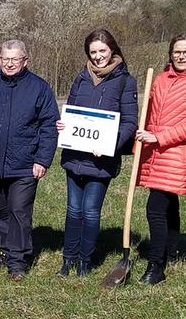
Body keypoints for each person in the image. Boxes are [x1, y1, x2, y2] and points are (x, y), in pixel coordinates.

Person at [0, 40, 59, 280]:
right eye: (5, 59)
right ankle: (1, 252)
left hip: (25, 164)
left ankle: (18, 261)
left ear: (25, 60)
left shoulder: (39, 88)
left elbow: (49, 127)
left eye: (14, 59)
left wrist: (43, 160)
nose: (8, 63)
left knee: (19, 211)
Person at [134, 34, 186, 285]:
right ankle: (170, 251)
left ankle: (156, 266)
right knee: (168, 203)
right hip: (154, 149)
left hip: (175, 152)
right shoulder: (160, 79)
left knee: (155, 208)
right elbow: (148, 115)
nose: (181, 57)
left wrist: (158, 137)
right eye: (176, 52)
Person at [55, 30, 138, 277]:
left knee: (90, 210)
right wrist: (63, 125)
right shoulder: (80, 79)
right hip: (75, 157)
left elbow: (130, 123)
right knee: (73, 209)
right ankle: (67, 259)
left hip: (102, 159)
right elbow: (71, 112)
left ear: (112, 50)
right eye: (93, 52)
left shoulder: (125, 81)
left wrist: (109, 145)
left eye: (102, 51)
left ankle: (84, 261)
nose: (98, 56)